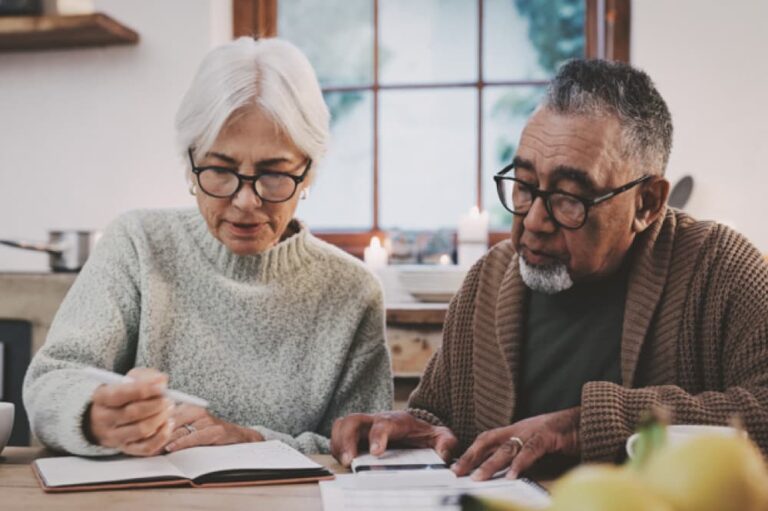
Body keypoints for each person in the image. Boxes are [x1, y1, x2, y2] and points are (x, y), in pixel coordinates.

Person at [331, 59, 768, 479]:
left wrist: (580, 427)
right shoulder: (488, 281)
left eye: (569, 198)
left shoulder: (721, 269)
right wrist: (413, 430)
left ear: (647, 204)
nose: (534, 222)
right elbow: (440, 417)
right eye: (524, 186)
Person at [23, 37, 392, 457]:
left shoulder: (352, 291)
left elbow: (361, 445)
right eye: (220, 170)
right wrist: (92, 415)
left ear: (307, 174)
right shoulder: (138, 243)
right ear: (189, 162)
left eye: (274, 174)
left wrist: (254, 442)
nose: (245, 202)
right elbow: (51, 382)